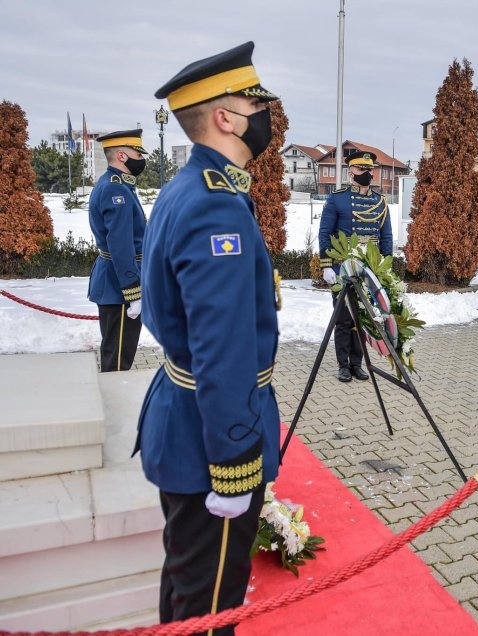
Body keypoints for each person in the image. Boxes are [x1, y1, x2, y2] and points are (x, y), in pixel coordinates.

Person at [136, 42, 281, 633]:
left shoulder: (190, 188)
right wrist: (235, 457)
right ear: (225, 117)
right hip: (210, 436)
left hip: (187, 416)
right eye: (255, 102)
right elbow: (221, 348)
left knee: (188, 582)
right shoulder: (214, 207)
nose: (266, 113)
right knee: (209, 606)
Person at [319, 150, 393, 382]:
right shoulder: (337, 198)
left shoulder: (379, 202)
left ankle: (357, 363)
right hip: (343, 267)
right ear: (351, 172)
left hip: (368, 268)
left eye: (370, 170)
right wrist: (326, 265)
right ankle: (343, 364)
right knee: (343, 318)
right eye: (362, 170)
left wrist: (385, 267)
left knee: (363, 317)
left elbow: (386, 237)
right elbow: (325, 233)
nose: (368, 174)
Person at [87, 129, 148, 372]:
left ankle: (114, 402)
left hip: (116, 280)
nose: (141, 157)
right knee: (118, 360)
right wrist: (133, 292)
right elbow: (121, 246)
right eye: (137, 152)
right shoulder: (115, 190)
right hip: (119, 284)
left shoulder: (118, 185)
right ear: (122, 155)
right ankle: (114, 406)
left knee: (117, 352)